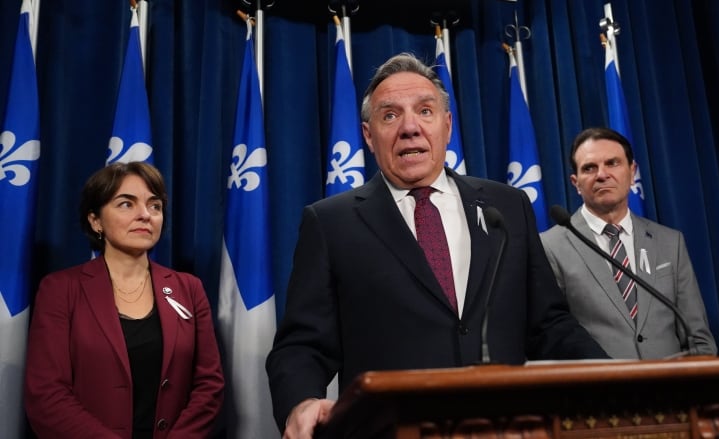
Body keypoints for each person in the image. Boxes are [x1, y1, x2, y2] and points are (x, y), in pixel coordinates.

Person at [266, 53, 608, 438]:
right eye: (390, 115)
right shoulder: (330, 222)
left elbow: (548, 325)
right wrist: (302, 402)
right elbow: (302, 345)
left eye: (425, 111)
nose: (410, 128)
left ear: (447, 126)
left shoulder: (507, 206)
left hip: (505, 426)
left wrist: (615, 379)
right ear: (367, 135)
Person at [24, 162, 224, 438]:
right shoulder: (60, 289)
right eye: (126, 204)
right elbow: (46, 395)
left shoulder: (188, 288)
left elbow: (209, 385)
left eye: (155, 206)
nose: (145, 215)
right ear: (96, 220)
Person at [540, 127, 717, 359]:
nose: (602, 175)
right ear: (576, 182)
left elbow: (699, 337)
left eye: (612, 163)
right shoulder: (550, 246)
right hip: (598, 390)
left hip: (672, 388)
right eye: (589, 168)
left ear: (632, 171)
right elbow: (553, 336)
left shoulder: (670, 242)